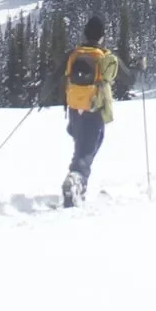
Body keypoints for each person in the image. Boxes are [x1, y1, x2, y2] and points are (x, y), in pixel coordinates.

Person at [61, 17, 119, 206]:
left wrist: (42, 97)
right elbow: (127, 76)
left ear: (85, 34)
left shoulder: (74, 53)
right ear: (102, 37)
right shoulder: (104, 57)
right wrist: (138, 67)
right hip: (93, 109)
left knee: (81, 145)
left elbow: (57, 74)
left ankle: (76, 184)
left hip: (74, 109)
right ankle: (75, 181)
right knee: (88, 148)